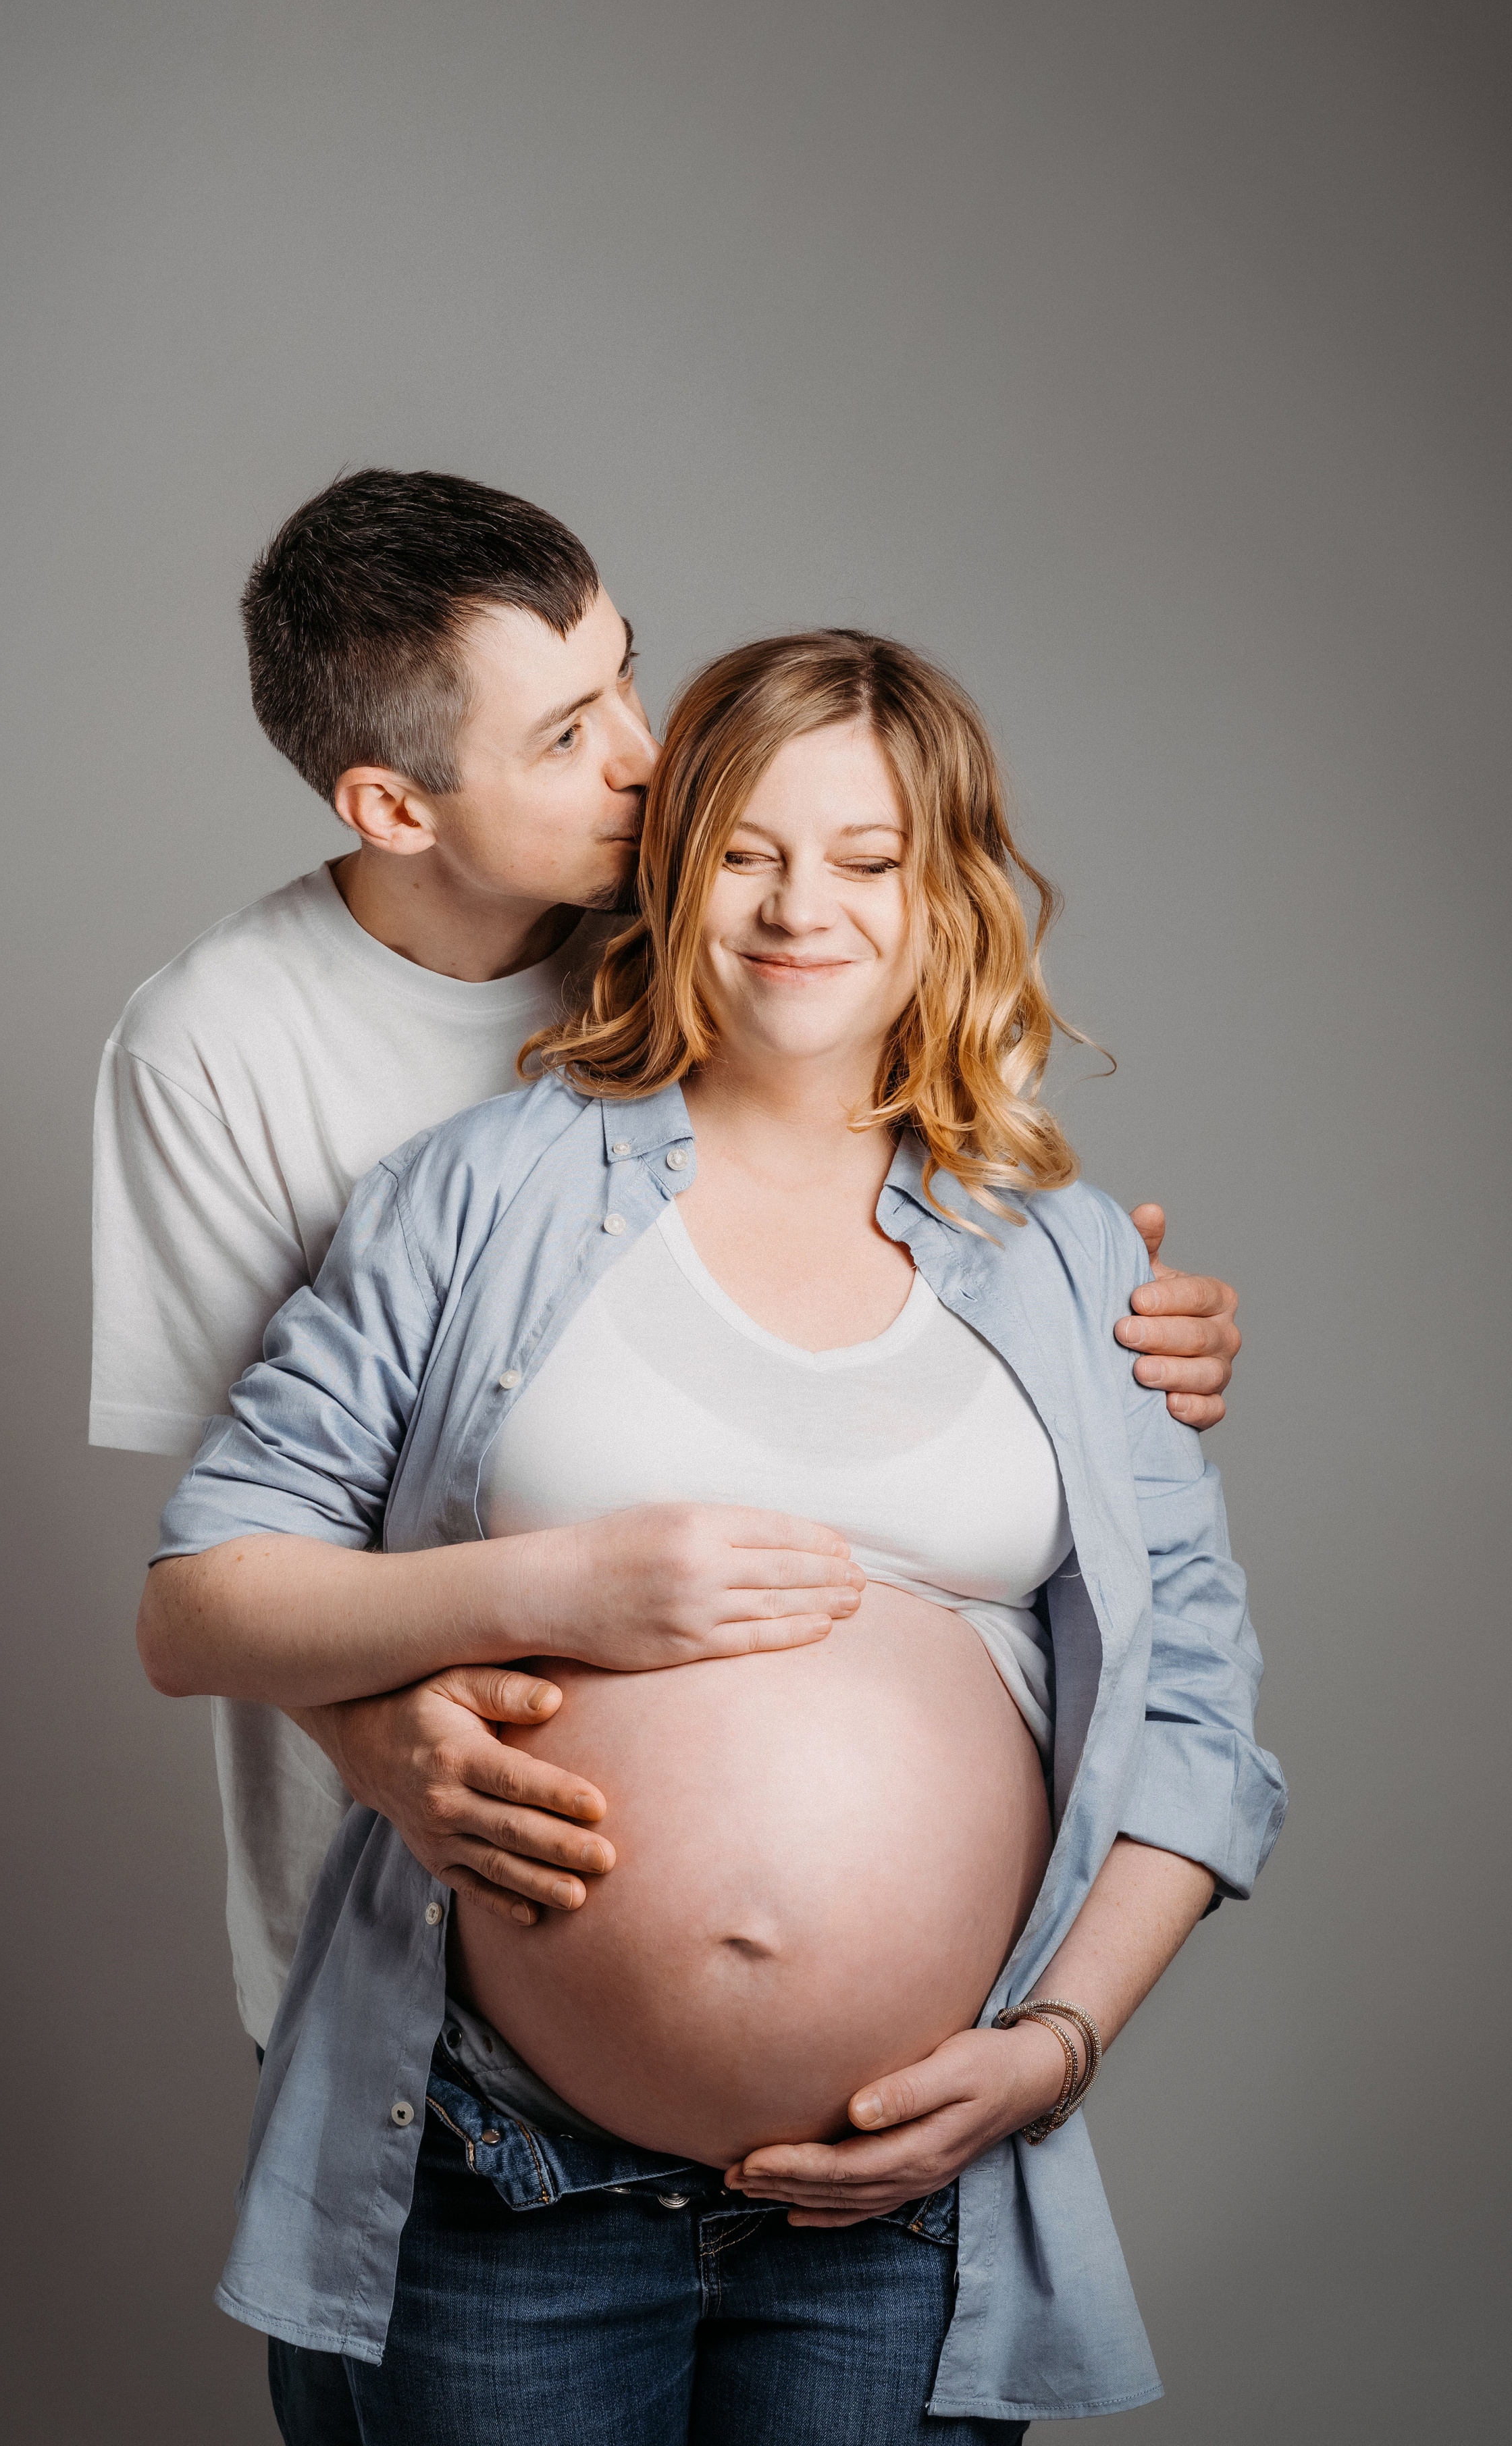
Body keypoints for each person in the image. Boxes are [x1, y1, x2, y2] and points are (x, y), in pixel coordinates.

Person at [140, 629, 1285, 2441]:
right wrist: (565, 1585)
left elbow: (1201, 1730)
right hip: (502, 2174)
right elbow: (200, 1599)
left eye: (864, 857)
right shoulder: (481, 1195)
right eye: (744, 846)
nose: (794, 907)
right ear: (672, 871)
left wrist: (1049, 2052)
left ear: (948, 893)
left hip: (903, 2198)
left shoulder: (1069, 1263)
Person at [92, 470, 1245, 2073]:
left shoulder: (755, 908)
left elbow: (985, 1250)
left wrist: (1126, 1330)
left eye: (622, 671)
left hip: (904, 2067)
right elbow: (243, 1564)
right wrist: (386, 1736)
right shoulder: (227, 1050)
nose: (646, 758)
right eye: (563, 736)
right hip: (430, 1947)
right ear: (393, 808)